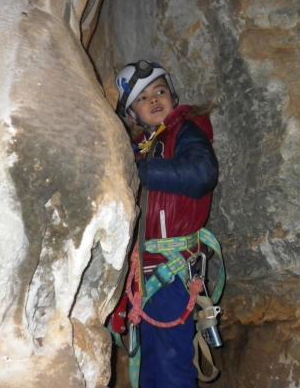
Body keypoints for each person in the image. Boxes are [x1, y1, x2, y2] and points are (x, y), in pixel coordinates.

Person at [115, 60, 219, 388]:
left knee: (169, 365)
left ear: (173, 97)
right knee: (153, 363)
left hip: (172, 270)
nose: (154, 99)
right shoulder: (141, 151)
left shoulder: (186, 130)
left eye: (160, 91)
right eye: (143, 98)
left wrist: (138, 173)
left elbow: (202, 175)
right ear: (132, 115)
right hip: (145, 271)